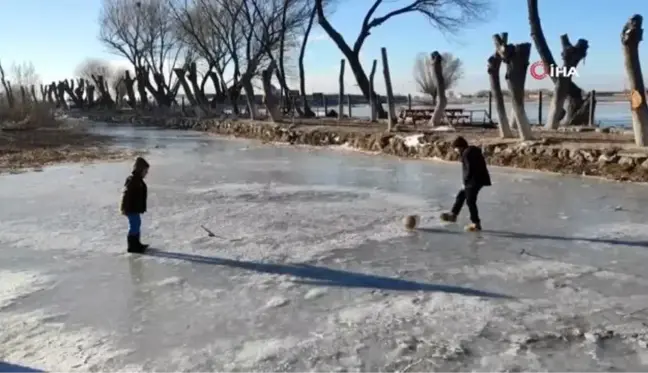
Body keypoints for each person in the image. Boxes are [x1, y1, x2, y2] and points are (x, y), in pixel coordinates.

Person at [440, 136, 491, 231]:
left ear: (460, 146)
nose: (455, 151)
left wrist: (466, 182)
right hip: (478, 179)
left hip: (474, 181)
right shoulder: (471, 151)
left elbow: (469, 169)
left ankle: (476, 223)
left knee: (470, 201)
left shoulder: (466, 154)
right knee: (461, 195)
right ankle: (453, 215)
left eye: (456, 148)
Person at [120, 157, 150, 253]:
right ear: (140, 170)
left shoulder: (138, 180)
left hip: (134, 208)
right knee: (134, 225)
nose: (147, 173)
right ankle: (132, 246)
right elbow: (126, 195)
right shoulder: (133, 180)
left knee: (137, 224)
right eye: (145, 171)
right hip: (130, 208)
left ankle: (137, 243)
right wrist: (126, 208)